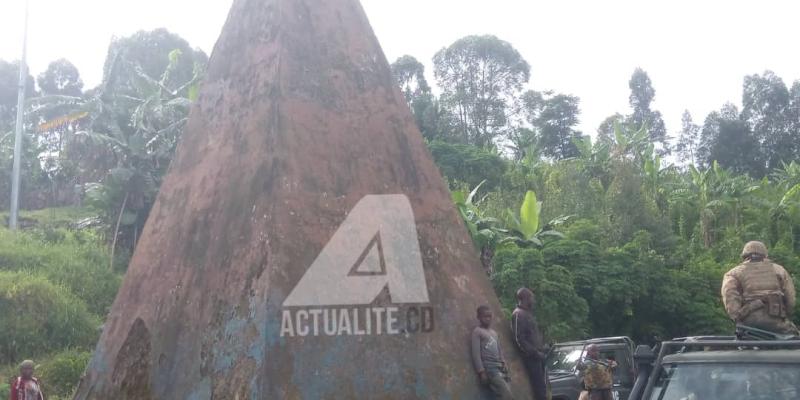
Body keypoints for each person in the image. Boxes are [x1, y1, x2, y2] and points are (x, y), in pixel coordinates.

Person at [721, 241, 799, 335]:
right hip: (777, 321)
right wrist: (786, 315)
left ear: (744, 255)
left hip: (749, 322)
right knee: (793, 337)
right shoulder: (779, 270)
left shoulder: (733, 273)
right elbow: (790, 298)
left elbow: (730, 297)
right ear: (765, 254)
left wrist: (737, 319)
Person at [511, 287, 548, 400]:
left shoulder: (528, 313)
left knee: (544, 387)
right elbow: (519, 339)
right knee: (539, 388)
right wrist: (535, 353)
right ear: (526, 298)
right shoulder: (518, 314)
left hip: (538, 356)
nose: (534, 300)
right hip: (531, 357)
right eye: (532, 297)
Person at [471, 305, 514, 400]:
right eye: (485, 316)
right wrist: (481, 372)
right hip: (490, 369)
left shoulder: (494, 333)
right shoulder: (477, 332)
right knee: (507, 394)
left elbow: (499, 350)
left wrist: (504, 362)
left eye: (490, 316)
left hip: (500, 368)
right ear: (478, 317)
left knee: (502, 394)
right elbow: (476, 354)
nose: (488, 319)